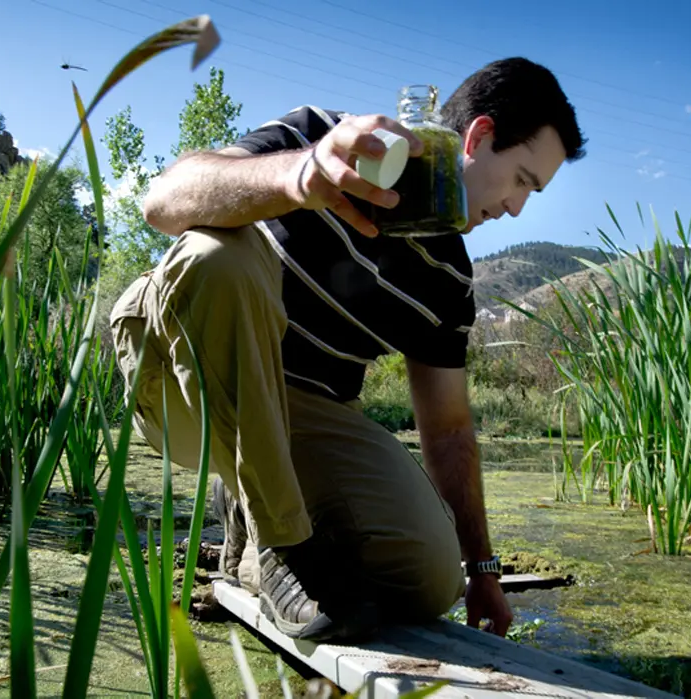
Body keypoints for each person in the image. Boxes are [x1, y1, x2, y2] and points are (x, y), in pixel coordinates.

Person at [109, 57, 586, 643]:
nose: (516, 207)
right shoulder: (321, 137)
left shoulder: (448, 281)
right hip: (185, 377)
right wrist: (299, 177)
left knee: (429, 580)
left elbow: (449, 433)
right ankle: (284, 537)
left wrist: (481, 570)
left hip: (307, 413)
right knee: (216, 256)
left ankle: (254, 526)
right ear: (479, 136)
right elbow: (163, 200)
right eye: (521, 180)